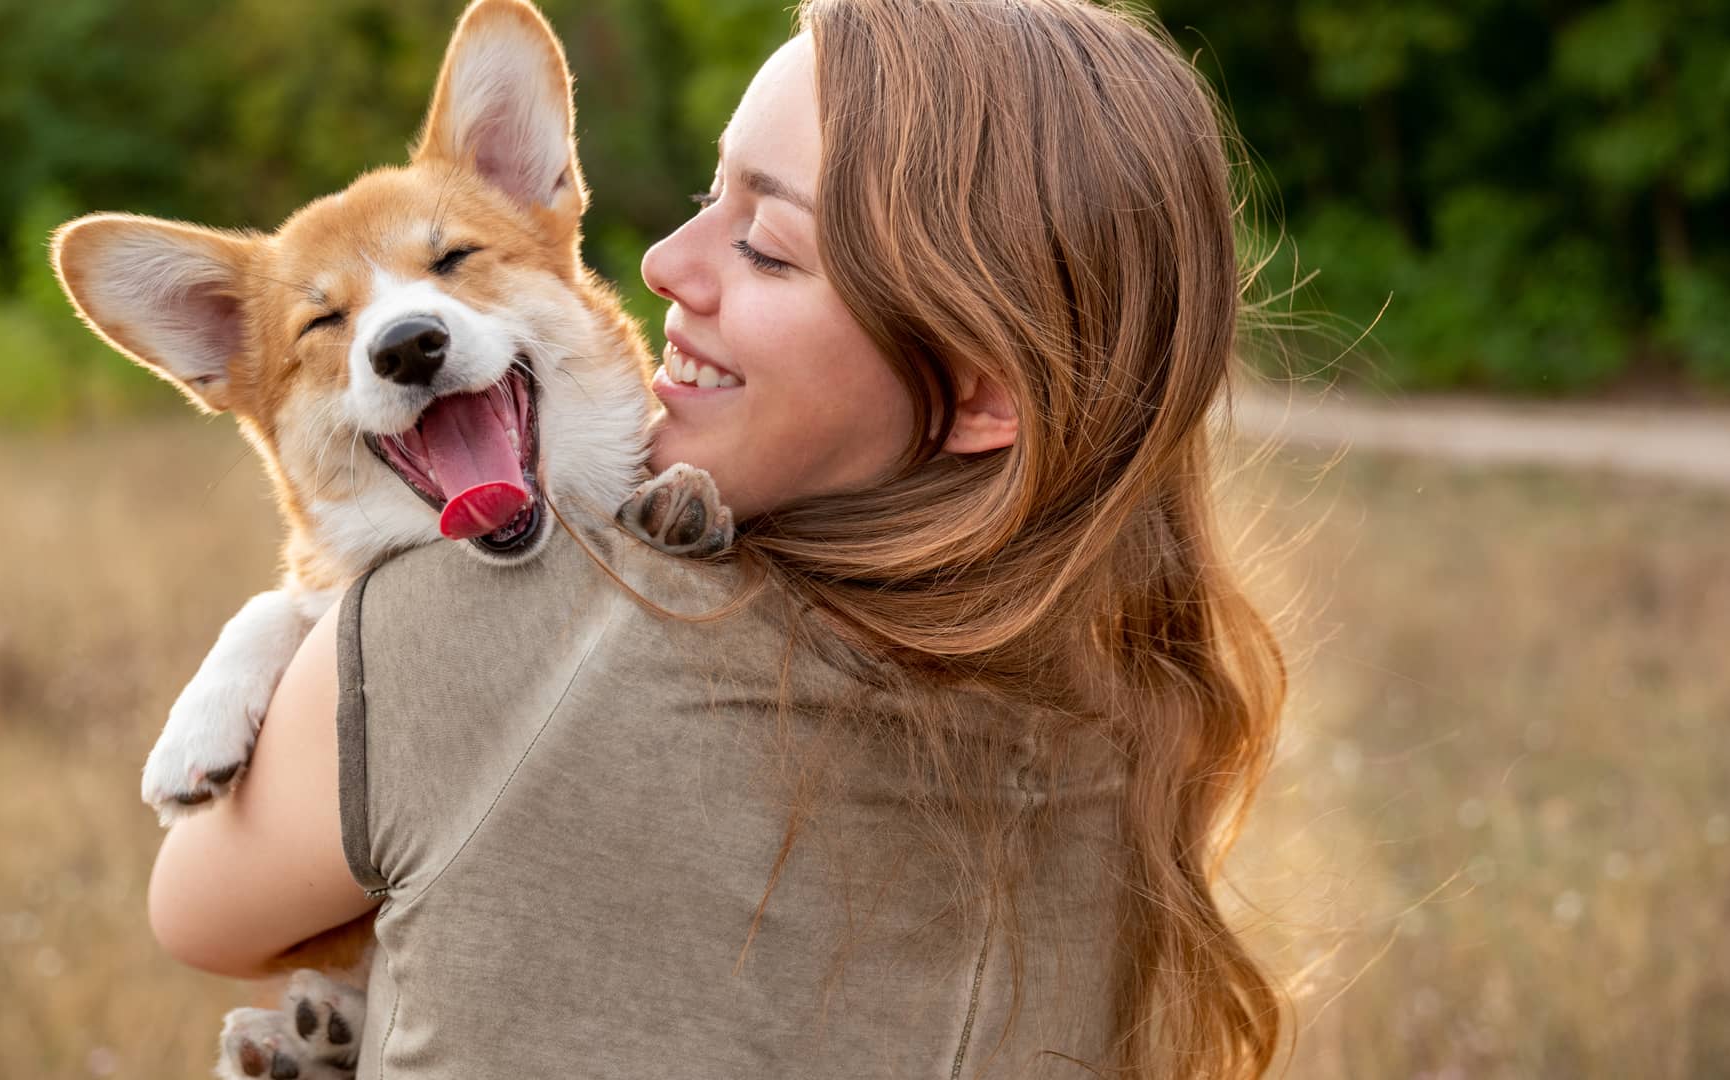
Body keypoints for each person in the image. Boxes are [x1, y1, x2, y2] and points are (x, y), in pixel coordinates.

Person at [148, 0, 1288, 1076]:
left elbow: (194, 910)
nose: (659, 265)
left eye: (771, 246)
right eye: (709, 193)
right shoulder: (1125, 731)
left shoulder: (473, 636)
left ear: (983, 388)